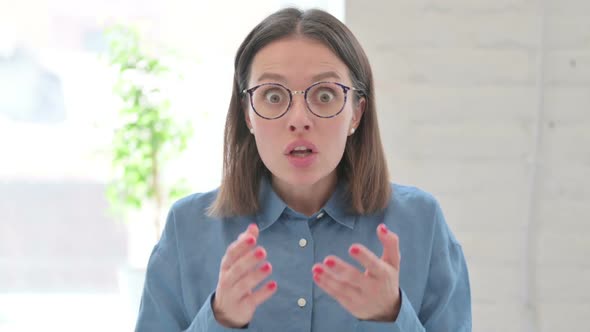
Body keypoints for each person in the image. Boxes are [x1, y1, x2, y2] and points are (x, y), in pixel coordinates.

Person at [135, 7, 471, 332]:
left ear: (356, 113)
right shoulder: (187, 228)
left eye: (324, 95)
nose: (299, 120)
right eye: (274, 96)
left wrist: (391, 317)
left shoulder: (421, 224)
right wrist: (220, 320)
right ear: (248, 114)